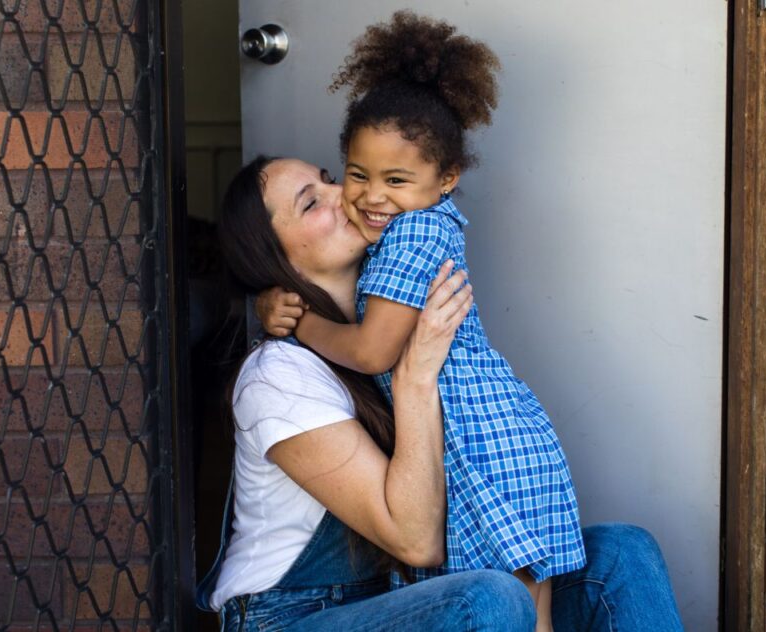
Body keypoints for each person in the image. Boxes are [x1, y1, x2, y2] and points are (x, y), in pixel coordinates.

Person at [197, 156, 684, 631]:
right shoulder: (278, 375)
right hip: (293, 616)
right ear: (273, 256)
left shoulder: (383, 318)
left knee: (622, 554)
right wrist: (415, 379)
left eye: (328, 179)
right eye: (311, 203)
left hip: (402, 596)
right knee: (489, 600)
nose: (342, 194)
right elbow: (415, 541)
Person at [257, 12, 577, 629]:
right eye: (356, 174)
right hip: (506, 438)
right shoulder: (415, 226)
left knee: (505, 606)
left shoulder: (412, 236)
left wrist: (301, 326)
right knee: (528, 616)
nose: (372, 196)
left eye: (397, 180)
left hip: (480, 447)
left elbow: (374, 352)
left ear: (446, 180)